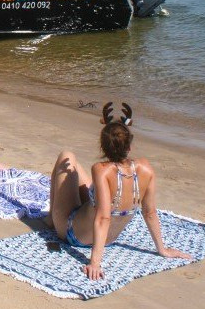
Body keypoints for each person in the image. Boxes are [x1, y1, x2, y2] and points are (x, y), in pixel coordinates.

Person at [47, 102, 192, 280]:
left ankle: (50, 219)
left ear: (103, 147)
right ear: (129, 146)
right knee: (78, 171)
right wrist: (162, 249)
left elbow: (103, 217)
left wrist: (95, 262)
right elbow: (150, 212)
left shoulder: (101, 170)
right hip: (109, 239)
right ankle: (57, 215)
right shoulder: (146, 169)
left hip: (72, 234)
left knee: (67, 156)